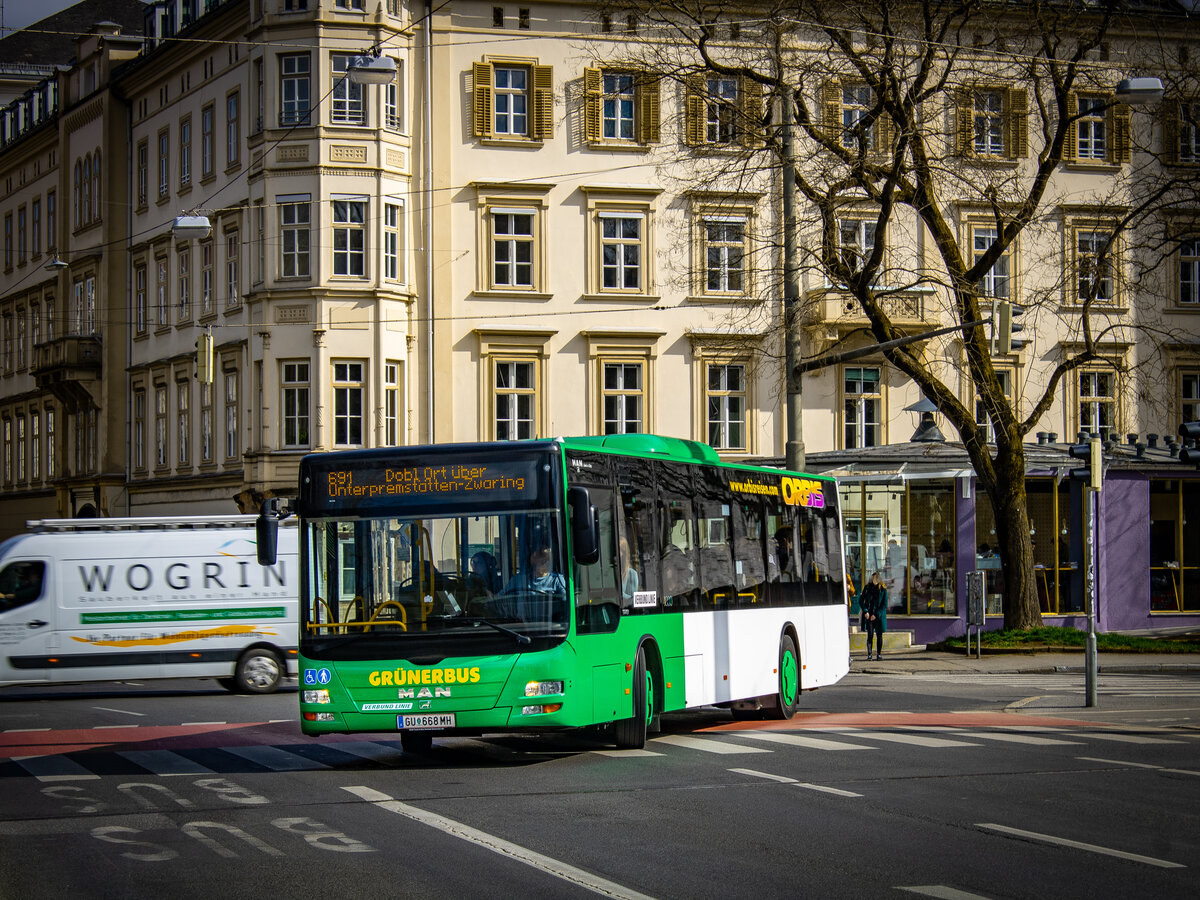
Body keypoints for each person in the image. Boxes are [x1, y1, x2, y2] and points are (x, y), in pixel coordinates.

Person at [859, 571, 888, 660]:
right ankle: (869, 654)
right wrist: (865, 611)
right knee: (870, 635)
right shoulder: (867, 588)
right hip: (869, 615)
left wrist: (876, 614)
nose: (873, 580)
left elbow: (884, 605)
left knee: (879, 635)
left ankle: (879, 654)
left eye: (875, 578)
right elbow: (861, 600)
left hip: (878, 616)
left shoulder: (883, 589)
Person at [618, 535, 639, 605]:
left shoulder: (632, 574)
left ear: (624, 553)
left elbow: (632, 600)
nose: (617, 554)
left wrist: (617, 592)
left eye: (620, 550)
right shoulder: (610, 573)